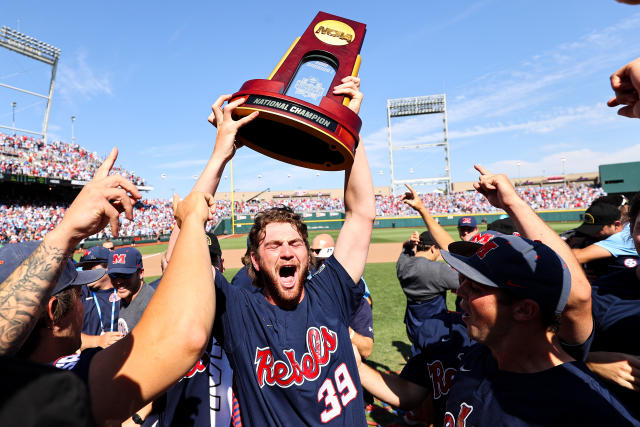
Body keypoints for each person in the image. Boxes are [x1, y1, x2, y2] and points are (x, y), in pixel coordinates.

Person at [355, 165, 639, 425]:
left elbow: (577, 295)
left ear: (525, 310)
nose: (460, 290)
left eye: (475, 287)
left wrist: (513, 202)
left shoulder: (581, 402)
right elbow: (408, 391)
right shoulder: (472, 352)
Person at [170, 75, 375, 426]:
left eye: (295, 243)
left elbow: (361, 214)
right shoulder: (238, 311)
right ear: (254, 260)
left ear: (307, 254)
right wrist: (221, 153)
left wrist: (348, 127)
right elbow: (181, 254)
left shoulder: (329, 292)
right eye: (273, 245)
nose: (287, 252)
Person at [0, 147, 219, 425]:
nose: (84, 300)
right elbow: (182, 336)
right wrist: (192, 219)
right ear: (54, 311)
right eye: (79, 293)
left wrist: (65, 232)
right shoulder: (51, 389)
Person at [311, 233, 374, 359]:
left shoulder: (352, 280)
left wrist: (341, 322)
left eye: (316, 252)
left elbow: (367, 301)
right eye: (312, 251)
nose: (313, 255)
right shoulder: (307, 276)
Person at [396, 230, 458, 353]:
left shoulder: (402, 265)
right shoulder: (439, 269)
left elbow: (405, 248)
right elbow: (465, 283)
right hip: (436, 329)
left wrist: (409, 242)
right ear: (433, 248)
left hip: (412, 325)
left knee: (419, 360)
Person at [77, 246, 123, 350]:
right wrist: (98, 341)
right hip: (90, 361)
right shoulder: (79, 294)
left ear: (108, 267)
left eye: (91, 267)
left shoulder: (124, 291)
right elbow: (66, 336)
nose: (86, 272)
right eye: (84, 268)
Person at [108, 246, 153, 335]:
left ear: (140, 273)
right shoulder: (127, 296)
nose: (118, 281)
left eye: (125, 275)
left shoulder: (150, 307)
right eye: (114, 275)